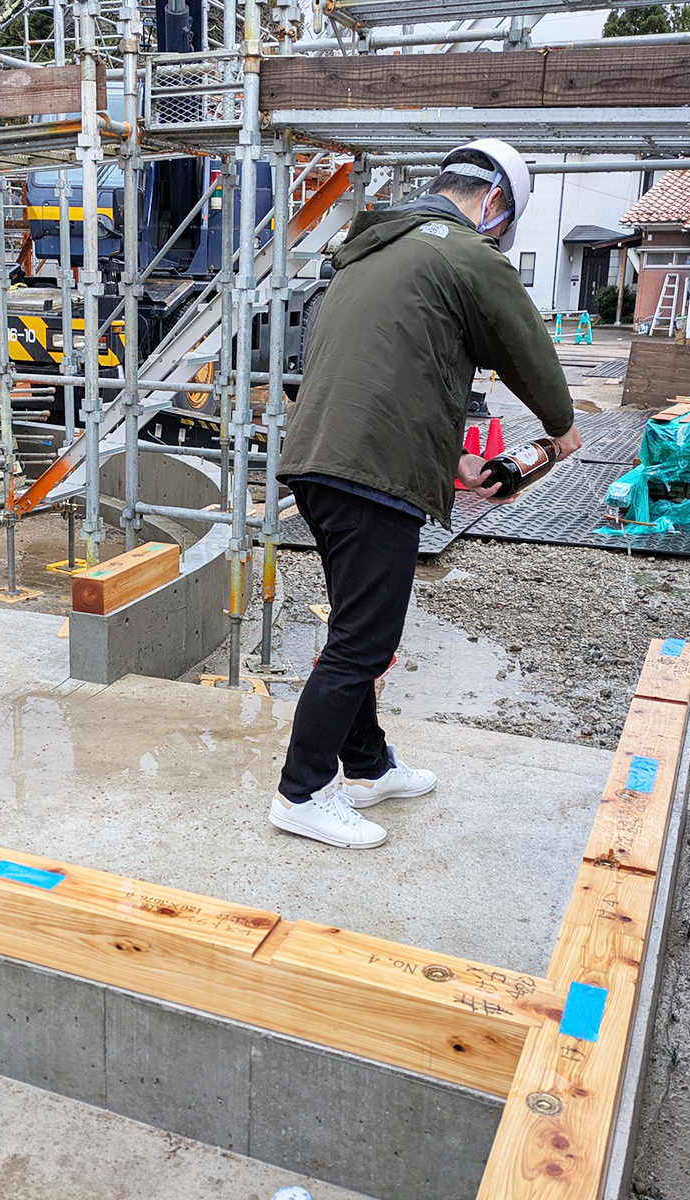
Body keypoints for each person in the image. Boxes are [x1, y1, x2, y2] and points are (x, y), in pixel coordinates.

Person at [270, 138, 581, 849]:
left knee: (355, 624)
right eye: (505, 222)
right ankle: (301, 792)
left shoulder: (375, 252)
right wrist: (561, 429)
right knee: (363, 640)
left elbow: (390, 379)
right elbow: (525, 347)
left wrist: (450, 463)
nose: (500, 234)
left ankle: (369, 765)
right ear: (495, 201)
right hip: (369, 477)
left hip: (323, 463)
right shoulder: (466, 253)